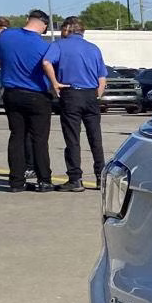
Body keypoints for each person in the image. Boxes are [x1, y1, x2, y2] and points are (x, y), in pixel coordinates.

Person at [0, 10, 60, 192]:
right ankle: (44, 180)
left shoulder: (5, 36)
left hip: (12, 93)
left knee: (16, 136)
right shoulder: (45, 46)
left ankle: (16, 182)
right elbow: (50, 67)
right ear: (44, 25)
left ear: (28, 20)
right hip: (37, 94)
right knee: (39, 139)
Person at [49, 16, 109, 191]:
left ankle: (75, 178)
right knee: (95, 138)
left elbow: (46, 61)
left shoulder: (59, 45)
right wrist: (95, 95)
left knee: (73, 138)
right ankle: (100, 177)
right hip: (91, 95)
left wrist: (54, 83)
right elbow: (102, 77)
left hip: (71, 93)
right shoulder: (93, 48)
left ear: (67, 29)